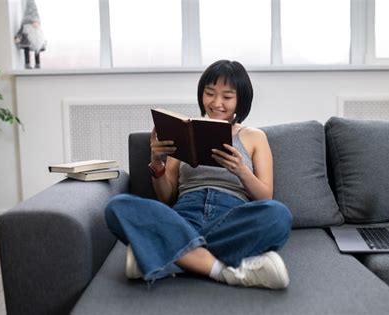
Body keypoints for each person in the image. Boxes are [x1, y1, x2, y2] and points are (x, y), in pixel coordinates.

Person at [105, 60, 293, 289]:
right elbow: (166, 197)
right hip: (184, 216)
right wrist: (156, 162)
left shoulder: (255, 137)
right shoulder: (184, 131)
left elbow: (265, 197)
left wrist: (241, 170)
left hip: (231, 217)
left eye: (227, 96)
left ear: (240, 99)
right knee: (117, 206)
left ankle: (165, 254)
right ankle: (221, 270)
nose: (216, 103)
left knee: (278, 215)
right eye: (210, 93)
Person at [14, 0, 46, 69]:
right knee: (26, 50)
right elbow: (20, 33)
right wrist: (18, 38)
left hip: (36, 43)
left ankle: (37, 64)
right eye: (33, 22)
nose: (35, 24)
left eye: (36, 22)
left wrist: (44, 42)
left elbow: (42, 38)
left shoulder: (38, 31)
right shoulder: (25, 28)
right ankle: (27, 63)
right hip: (26, 43)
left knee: (37, 50)